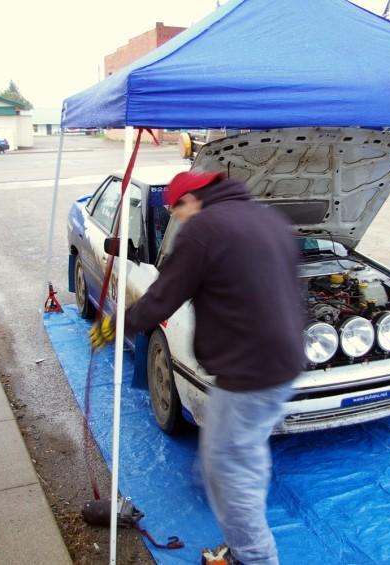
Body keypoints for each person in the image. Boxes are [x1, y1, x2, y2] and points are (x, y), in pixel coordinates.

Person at [91, 170, 304, 565]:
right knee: (239, 458)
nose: (178, 219)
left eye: (177, 211)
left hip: (247, 373)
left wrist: (113, 326)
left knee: (229, 474)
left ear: (191, 200)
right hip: (284, 362)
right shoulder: (267, 217)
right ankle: (245, 544)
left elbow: (162, 297)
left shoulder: (203, 228)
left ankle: (255, 558)